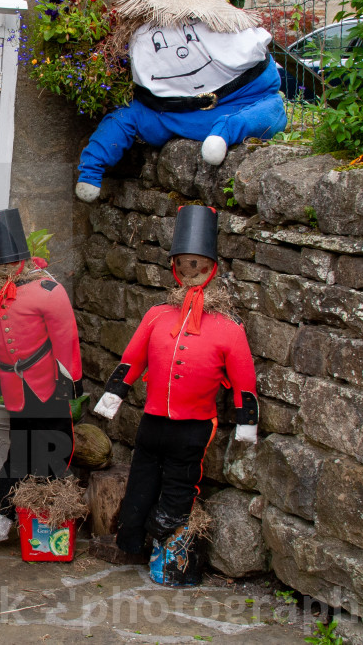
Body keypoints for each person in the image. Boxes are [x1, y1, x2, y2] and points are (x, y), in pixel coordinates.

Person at [93, 205, 258, 585]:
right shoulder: (156, 314)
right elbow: (131, 359)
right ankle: (131, 539)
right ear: (174, 268)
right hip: (152, 421)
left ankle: (162, 546)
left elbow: (244, 379)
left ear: (211, 267)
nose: (189, 272)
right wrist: (113, 398)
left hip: (194, 426)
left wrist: (246, 423)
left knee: (179, 491)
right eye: (183, 265)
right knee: (140, 482)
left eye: (197, 265)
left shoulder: (229, 327)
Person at [75, 0, 287, 203]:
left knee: (269, 111)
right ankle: (91, 170)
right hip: (166, 115)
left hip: (213, 108)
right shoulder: (153, 25)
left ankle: (226, 130)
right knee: (126, 116)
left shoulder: (224, 29)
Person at [0, 209, 83, 542]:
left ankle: (43, 517)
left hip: (47, 383)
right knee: (22, 450)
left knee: (56, 447)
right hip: (15, 389)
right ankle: (11, 517)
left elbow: (66, 340)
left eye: (6, 266)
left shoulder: (49, 291)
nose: (0, 272)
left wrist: (71, 382)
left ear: (20, 262)